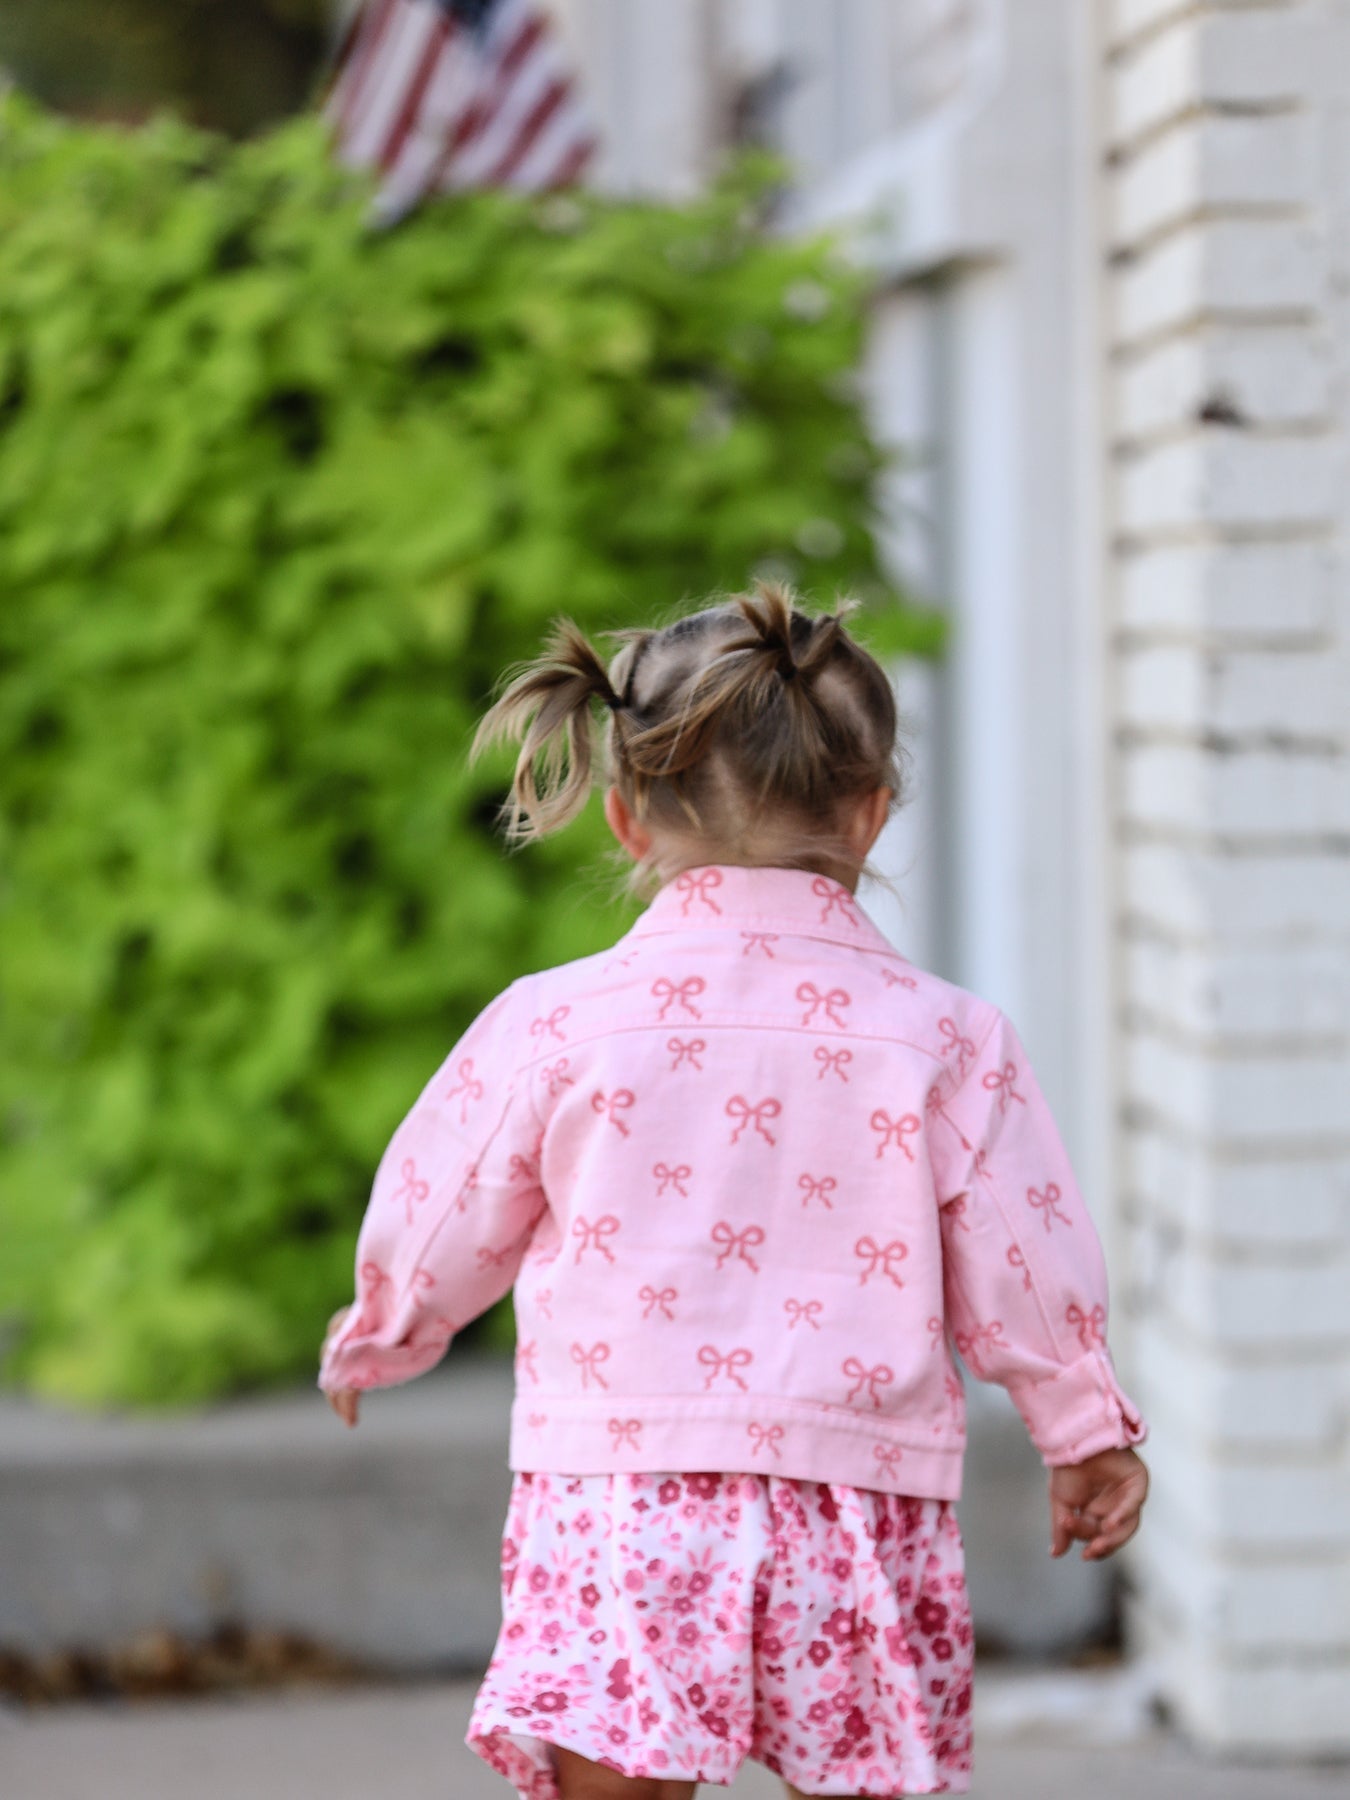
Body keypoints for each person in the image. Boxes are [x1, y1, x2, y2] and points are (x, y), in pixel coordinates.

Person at [318, 583, 1148, 1800]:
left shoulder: (559, 1024)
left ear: (624, 819)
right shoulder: (945, 1038)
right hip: (856, 1506)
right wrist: (1082, 1425)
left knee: (618, 1782)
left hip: (624, 1499)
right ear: (870, 816)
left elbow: (448, 1198)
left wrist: (389, 1326)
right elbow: (1024, 1250)